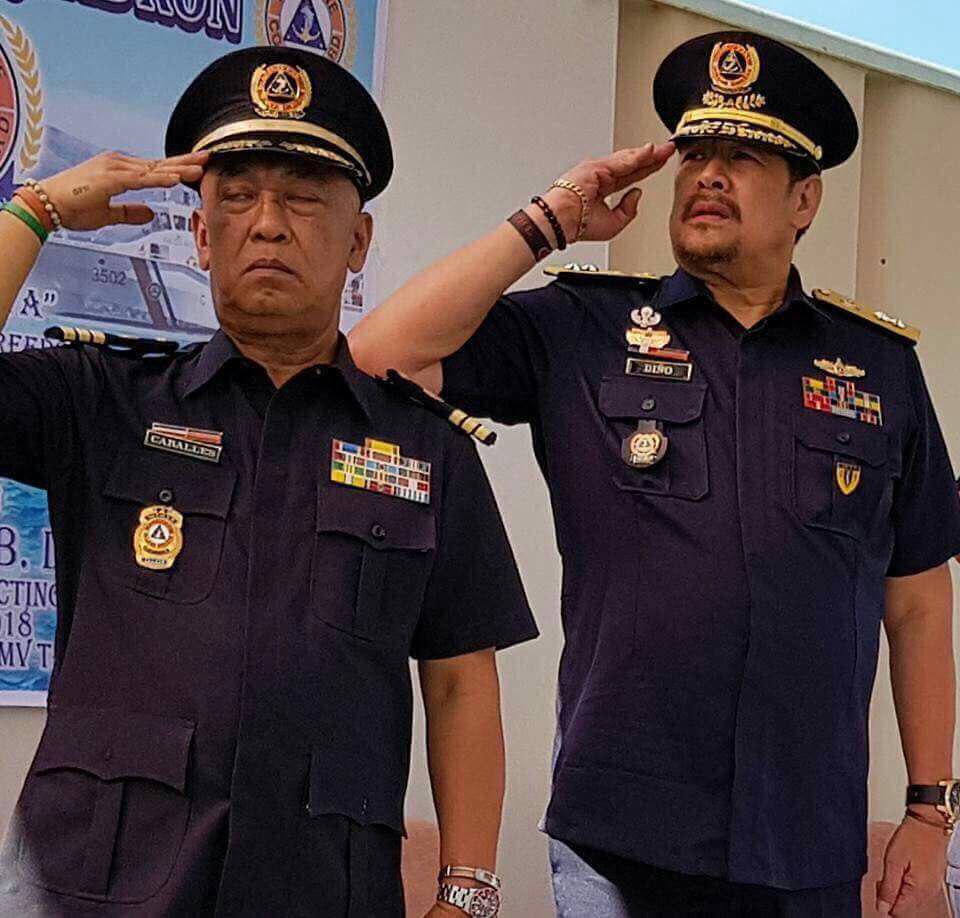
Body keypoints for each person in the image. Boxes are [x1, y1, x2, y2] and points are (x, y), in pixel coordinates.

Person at [350, 30, 960, 917]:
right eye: (697, 154)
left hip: (807, 835)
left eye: (743, 157)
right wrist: (549, 222)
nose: (708, 173)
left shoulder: (876, 366)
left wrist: (929, 808)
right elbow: (376, 359)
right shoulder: (586, 330)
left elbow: (918, 598)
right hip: (622, 838)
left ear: (805, 200)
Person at [0, 46, 536, 917]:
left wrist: (467, 890)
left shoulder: (425, 449)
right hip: (93, 884)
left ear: (358, 241)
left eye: (303, 198)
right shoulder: (102, 401)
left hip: (321, 883)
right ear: (203, 235)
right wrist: (37, 209)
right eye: (239, 198)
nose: (270, 224)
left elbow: (460, 680)